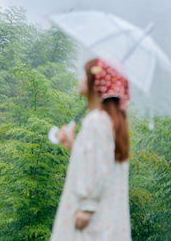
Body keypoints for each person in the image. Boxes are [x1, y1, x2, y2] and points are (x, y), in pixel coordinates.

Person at [50, 58, 131, 239]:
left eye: (84, 75)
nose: (80, 79)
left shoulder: (96, 121)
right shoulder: (107, 122)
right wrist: (73, 145)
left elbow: (99, 170)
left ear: (96, 84)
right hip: (106, 219)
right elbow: (96, 162)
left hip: (92, 221)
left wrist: (87, 207)